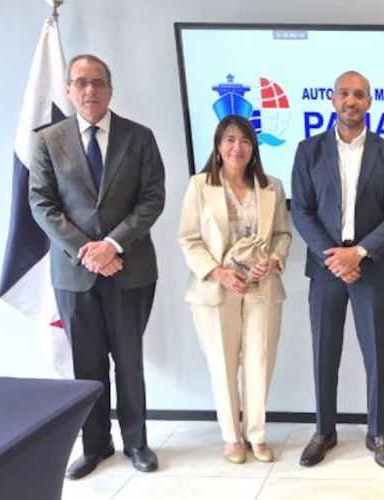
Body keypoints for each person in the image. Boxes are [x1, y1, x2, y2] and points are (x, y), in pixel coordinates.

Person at [28, 54, 164, 479]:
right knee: (86, 366)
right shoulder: (48, 140)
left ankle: (136, 442)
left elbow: (152, 199)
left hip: (130, 268)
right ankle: (95, 445)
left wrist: (112, 245)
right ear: (68, 89)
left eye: (98, 82)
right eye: (81, 82)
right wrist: (87, 250)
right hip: (75, 273)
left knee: (129, 361)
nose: (90, 90)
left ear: (110, 89)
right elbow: (41, 203)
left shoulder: (139, 138)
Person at [290, 70, 384, 470]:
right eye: (344, 93)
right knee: (324, 353)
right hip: (325, 269)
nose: (351, 101)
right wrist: (334, 257)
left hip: (368, 268)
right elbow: (301, 211)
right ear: (333, 99)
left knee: (376, 354)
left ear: (369, 102)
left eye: (359, 94)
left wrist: (357, 253)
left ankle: (378, 433)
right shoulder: (308, 151)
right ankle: (324, 431)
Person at [177, 115, 291, 464]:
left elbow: (282, 234)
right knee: (223, 364)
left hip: (261, 287)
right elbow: (189, 239)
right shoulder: (200, 186)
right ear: (218, 146)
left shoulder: (272, 187)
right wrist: (218, 273)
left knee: (259, 362)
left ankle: (256, 434)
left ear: (254, 147)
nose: (237, 147)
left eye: (244, 140)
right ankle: (231, 437)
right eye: (229, 139)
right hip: (217, 288)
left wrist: (273, 260)